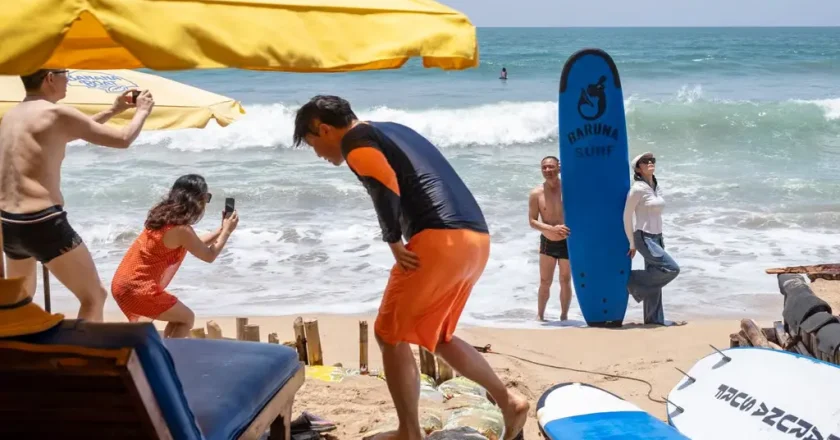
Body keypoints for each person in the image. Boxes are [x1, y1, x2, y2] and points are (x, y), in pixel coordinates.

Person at [293, 95, 529, 440]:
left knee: (388, 334)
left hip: (438, 241)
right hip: (475, 239)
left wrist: (394, 242)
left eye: (313, 143)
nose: (317, 153)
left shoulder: (355, 142)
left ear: (324, 129)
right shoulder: (391, 129)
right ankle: (508, 401)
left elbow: (383, 184)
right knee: (439, 336)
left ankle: (409, 431)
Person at [0, 68, 154, 322]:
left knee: (21, 303)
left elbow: (68, 132)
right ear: (50, 78)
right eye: (65, 74)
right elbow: (123, 139)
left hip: (10, 224)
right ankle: (83, 359)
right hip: (43, 222)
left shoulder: (12, 115)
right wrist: (143, 111)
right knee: (94, 297)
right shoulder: (56, 112)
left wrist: (114, 110)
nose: (68, 80)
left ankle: (18, 357)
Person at [111, 174, 238, 338]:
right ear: (196, 199)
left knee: (179, 319)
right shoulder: (181, 229)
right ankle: (171, 359)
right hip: (137, 288)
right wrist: (227, 232)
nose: (205, 203)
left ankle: (166, 355)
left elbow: (195, 243)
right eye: (206, 198)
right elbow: (209, 256)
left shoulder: (163, 217)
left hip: (123, 283)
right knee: (187, 318)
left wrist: (221, 230)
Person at [623, 152, 684, 326]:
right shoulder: (637, 189)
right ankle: (631, 281)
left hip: (657, 237)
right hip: (644, 237)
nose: (650, 162)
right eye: (645, 161)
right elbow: (627, 216)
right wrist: (631, 242)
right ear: (638, 168)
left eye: (652, 160)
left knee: (655, 279)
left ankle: (654, 320)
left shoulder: (654, 187)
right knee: (671, 269)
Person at [528, 156, 572, 321]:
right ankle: (540, 316)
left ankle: (564, 316)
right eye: (544, 167)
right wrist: (551, 229)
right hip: (547, 241)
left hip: (567, 241)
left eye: (551, 167)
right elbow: (532, 221)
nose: (547, 170)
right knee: (545, 281)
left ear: (559, 168)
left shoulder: (568, 189)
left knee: (565, 279)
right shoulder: (536, 193)